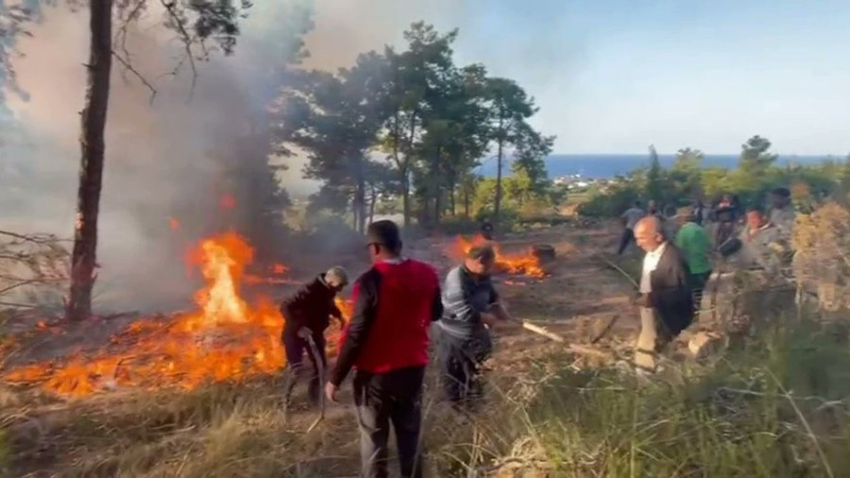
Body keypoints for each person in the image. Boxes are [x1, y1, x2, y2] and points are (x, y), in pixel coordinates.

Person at [326, 220, 442, 478]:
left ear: (375, 248)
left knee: (374, 442)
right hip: (413, 369)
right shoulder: (427, 273)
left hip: (375, 376)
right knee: (410, 436)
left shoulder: (370, 281)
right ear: (399, 245)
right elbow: (436, 313)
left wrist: (335, 378)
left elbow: (356, 333)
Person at [437, 244, 517, 410]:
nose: (490, 269)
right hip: (455, 335)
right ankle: (457, 410)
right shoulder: (456, 279)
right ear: (479, 261)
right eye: (488, 265)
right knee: (456, 374)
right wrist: (490, 319)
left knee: (479, 371)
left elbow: (492, 296)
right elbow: (465, 313)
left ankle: (476, 405)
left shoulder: (482, 274)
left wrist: (500, 308)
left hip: (477, 334)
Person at [280, 266, 348, 410]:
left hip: (314, 332)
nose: (340, 289)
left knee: (320, 366)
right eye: (340, 286)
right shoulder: (309, 290)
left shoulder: (328, 291)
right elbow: (285, 306)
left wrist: (339, 316)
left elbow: (328, 305)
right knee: (295, 369)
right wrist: (299, 327)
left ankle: (313, 401)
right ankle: (285, 402)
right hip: (295, 334)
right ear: (331, 282)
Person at [633, 217, 694, 373]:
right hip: (652, 313)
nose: (638, 244)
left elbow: (681, 292)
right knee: (648, 349)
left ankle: (657, 383)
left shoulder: (673, 259)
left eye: (641, 238)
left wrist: (652, 298)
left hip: (666, 317)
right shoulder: (653, 253)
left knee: (661, 353)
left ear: (658, 237)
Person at [674, 207, 712, 313]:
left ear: (682, 219)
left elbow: (679, 251)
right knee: (704, 293)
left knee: (694, 294)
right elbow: (709, 246)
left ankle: (696, 314)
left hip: (691, 268)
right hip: (705, 266)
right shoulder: (701, 229)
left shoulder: (683, 232)